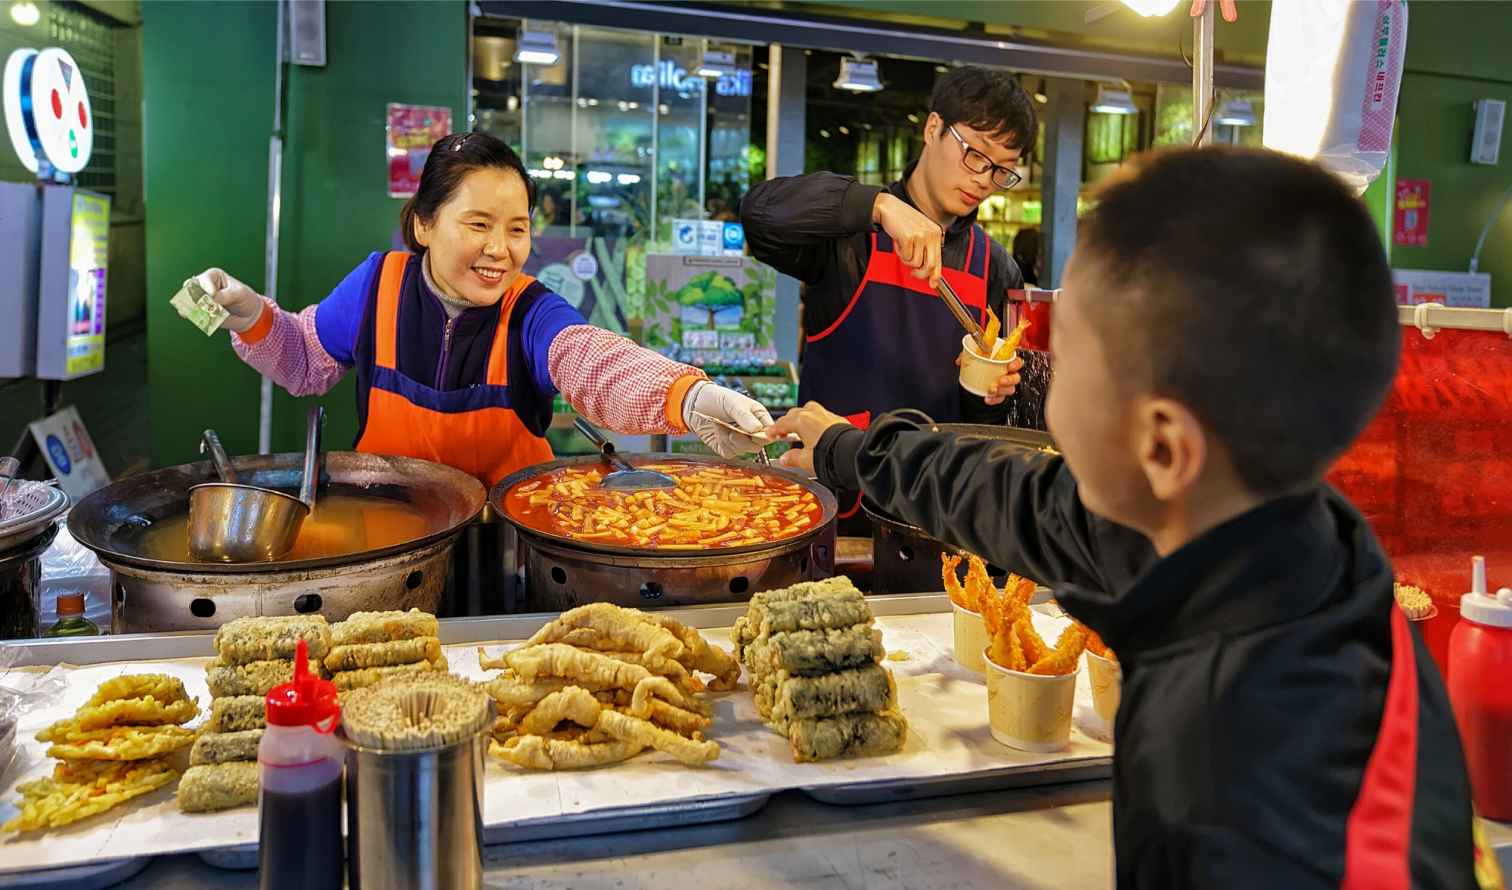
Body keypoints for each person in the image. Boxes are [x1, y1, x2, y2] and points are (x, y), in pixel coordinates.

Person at [770, 147, 1485, 888]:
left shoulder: (1252, 788)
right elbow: (1015, 499)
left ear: (1162, 445)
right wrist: (850, 451)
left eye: (1069, 360)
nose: (1048, 386)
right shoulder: (1251, 534)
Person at [190, 133, 768, 487]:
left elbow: (593, 361)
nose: (501, 248)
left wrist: (690, 400)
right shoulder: (376, 284)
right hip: (392, 540)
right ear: (424, 223)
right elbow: (303, 361)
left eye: (517, 229)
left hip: (505, 548)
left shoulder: (531, 309)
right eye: (478, 225)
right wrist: (249, 316)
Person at [740, 65, 1035, 527]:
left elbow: (982, 424)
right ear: (933, 128)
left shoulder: (994, 266)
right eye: (975, 156)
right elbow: (759, 214)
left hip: (932, 511)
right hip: (834, 506)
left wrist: (989, 393)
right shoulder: (852, 235)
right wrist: (877, 206)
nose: (983, 179)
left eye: (1002, 171)